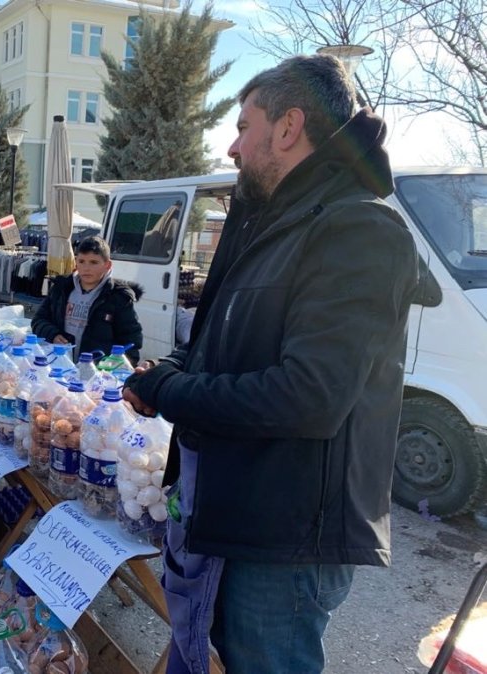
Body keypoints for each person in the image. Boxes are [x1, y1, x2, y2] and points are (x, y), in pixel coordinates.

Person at [122, 55, 419, 674]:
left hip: (286, 542)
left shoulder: (357, 228)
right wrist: (165, 372)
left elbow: (309, 396)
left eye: (243, 127)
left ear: (288, 127)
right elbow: (221, 345)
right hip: (241, 513)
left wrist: (173, 391)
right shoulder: (273, 223)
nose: (232, 147)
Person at [31, 235, 143, 363]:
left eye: (94, 262)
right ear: (76, 262)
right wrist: (53, 334)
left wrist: (117, 367)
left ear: (107, 265)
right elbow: (38, 320)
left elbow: (131, 341)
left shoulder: (119, 297)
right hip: (60, 366)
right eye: (81, 261)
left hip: (97, 371)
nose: (86, 268)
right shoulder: (61, 288)